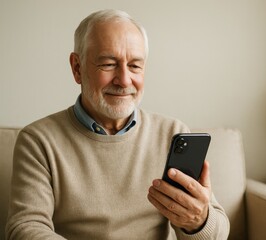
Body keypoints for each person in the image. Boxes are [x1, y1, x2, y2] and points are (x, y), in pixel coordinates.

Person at [5, 9, 230, 240]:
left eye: (134, 66)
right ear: (77, 68)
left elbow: (218, 233)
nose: (124, 80)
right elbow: (25, 227)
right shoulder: (38, 140)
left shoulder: (173, 134)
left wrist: (198, 221)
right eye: (108, 64)